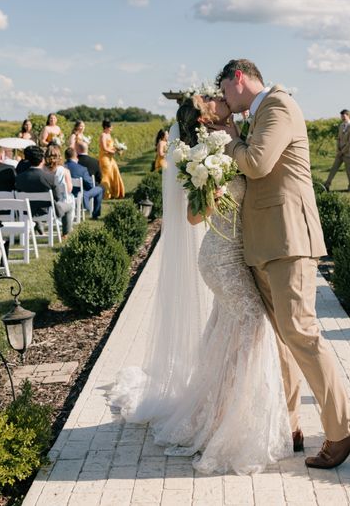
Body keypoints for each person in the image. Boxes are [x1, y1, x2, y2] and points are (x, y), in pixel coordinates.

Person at [110, 92, 292, 475]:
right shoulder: (206, 155)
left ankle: (216, 413)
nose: (221, 98)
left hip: (238, 254)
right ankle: (234, 425)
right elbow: (194, 218)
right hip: (220, 258)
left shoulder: (232, 138)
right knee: (253, 324)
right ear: (206, 117)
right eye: (214, 98)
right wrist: (212, 192)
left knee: (226, 333)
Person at [212, 59, 350, 469]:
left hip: (287, 239)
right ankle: (290, 424)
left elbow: (257, 163)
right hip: (265, 243)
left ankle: (343, 428)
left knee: (301, 333)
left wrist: (229, 139)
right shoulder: (259, 113)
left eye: (224, 90)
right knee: (282, 340)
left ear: (238, 78)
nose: (224, 99)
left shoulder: (278, 105)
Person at [15, 146, 75, 236]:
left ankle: (38, 225)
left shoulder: (19, 178)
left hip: (26, 210)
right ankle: (65, 233)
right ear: (42, 160)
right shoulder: (50, 178)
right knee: (69, 207)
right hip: (46, 210)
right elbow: (57, 197)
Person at [44, 144, 76, 237]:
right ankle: (65, 232)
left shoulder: (42, 170)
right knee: (70, 199)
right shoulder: (64, 171)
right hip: (60, 202)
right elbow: (69, 189)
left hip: (45, 203)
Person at [65, 147, 103, 219]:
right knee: (100, 189)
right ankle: (95, 214)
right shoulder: (82, 169)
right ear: (75, 156)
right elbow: (90, 185)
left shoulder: (61, 167)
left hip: (65, 194)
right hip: (78, 194)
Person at [324, 109, 350, 192]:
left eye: (344, 116)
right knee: (333, 169)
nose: (342, 117)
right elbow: (338, 138)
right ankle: (327, 185)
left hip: (348, 153)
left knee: (349, 171)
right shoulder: (341, 125)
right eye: (341, 116)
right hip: (340, 153)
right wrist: (338, 150)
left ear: (348, 115)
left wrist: (342, 151)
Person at [98, 119, 125, 199]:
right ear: (106, 127)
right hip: (104, 157)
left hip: (111, 158)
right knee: (107, 175)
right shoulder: (103, 135)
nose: (112, 128)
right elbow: (104, 148)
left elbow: (111, 146)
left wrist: (118, 148)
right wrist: (114, 151)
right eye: (110, 127)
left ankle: (115, 192)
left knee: (115, 172)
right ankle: (106, 194)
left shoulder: (109, 135)